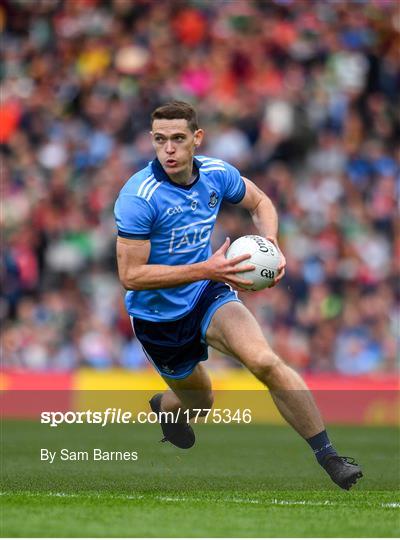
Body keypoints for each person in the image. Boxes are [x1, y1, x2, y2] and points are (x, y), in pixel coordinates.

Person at [114, 101, 362, 490]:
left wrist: (270, 243)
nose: (170, 150)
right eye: (160, 140)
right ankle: (166, 407)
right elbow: (130, 276)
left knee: (264, 361)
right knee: (202, 403)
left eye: (179, 139)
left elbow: (260, 201)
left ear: (197, 139)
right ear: (152, 142)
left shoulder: (216, 174)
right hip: (159, 319)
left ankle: (329, 456)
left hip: (208, 293)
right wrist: (205, 268)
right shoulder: (138, 197)